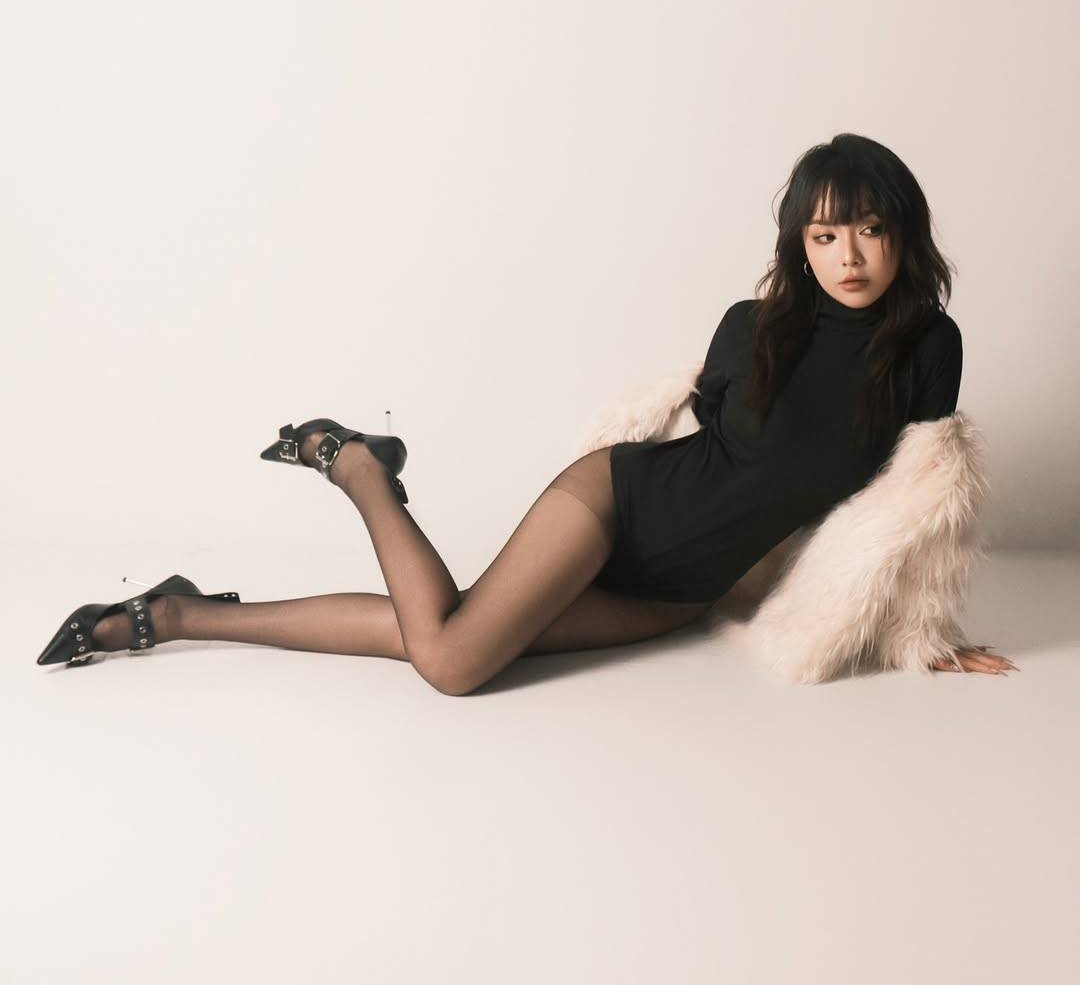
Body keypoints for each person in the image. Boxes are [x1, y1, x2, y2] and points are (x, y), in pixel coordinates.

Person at [36, 131, 1017, 689]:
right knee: (455, 660)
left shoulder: (928, 349)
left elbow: (911, 510)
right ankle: (362, 471)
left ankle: (182, 611)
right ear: (799, 243)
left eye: (869, 230)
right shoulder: (752, 326)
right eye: (825, 234)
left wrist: (924, 637)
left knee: (438, 630)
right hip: (620, 508)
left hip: (681, 591)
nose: (849, 256)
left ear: (903, 234)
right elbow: (716, 445)